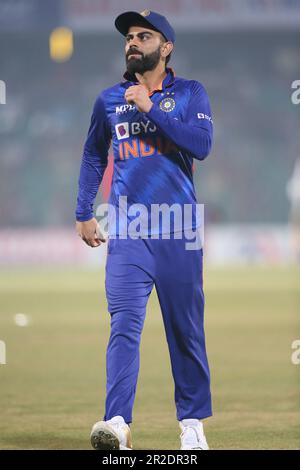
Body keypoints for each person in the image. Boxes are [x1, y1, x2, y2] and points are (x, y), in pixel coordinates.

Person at [76, 10, 213, 450]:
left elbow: (202, 146)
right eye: (129, 37)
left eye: (143, 36)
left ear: (166, 46)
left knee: (186, 330)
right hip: (129, 230)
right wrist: (83, 211)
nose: (132, 42)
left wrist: (150, 106)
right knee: (124, 325)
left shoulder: (191, 93)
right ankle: (116, 422)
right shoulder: (108, 100)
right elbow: (94, 155)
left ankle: (192, 426)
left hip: (180, 230)